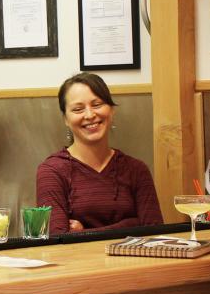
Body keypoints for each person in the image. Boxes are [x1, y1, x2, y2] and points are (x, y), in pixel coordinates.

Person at [37, 72, 163, 234]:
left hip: (133, 259)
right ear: (66, 120)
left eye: (97, 105)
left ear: (111, 111)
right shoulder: (51, 170)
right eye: (78, 109)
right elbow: (56, 239)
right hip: (77, 260)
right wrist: (133, 223)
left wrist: (86, 233)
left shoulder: (136, 169)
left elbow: (154, 232)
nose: (90, 115)